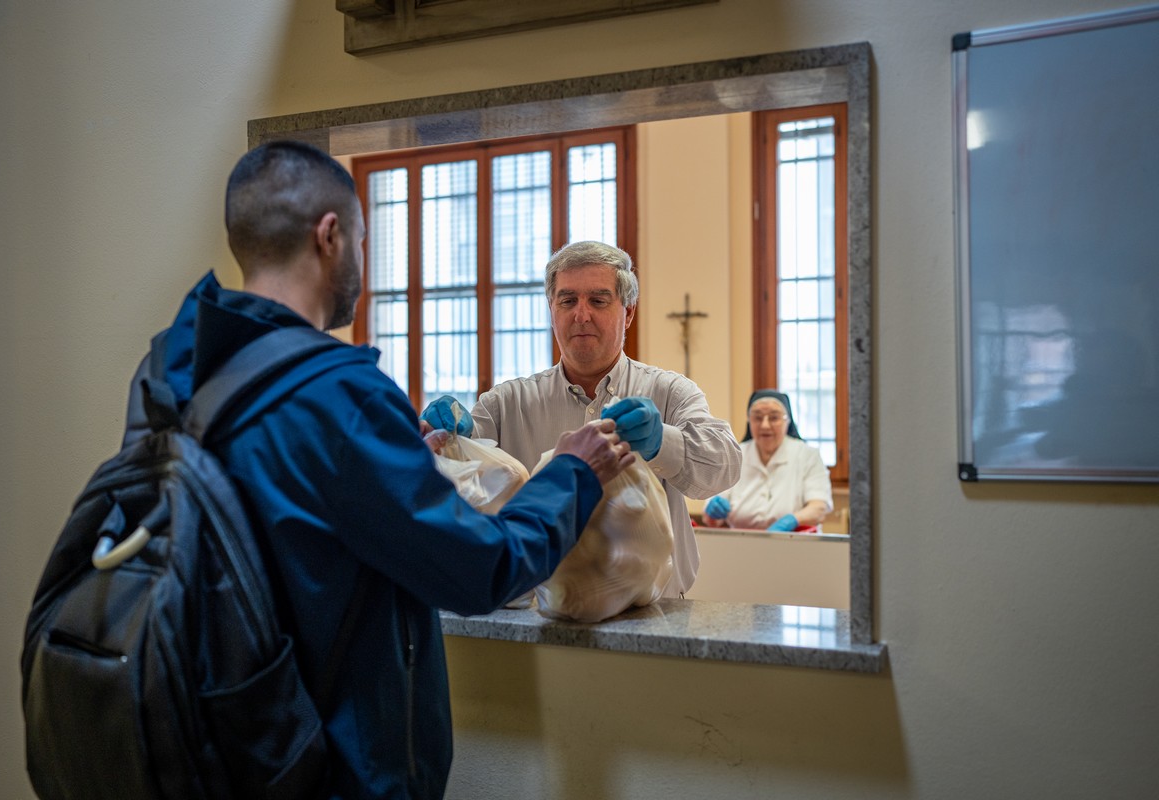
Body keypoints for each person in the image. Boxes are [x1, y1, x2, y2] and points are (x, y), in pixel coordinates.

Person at [124, 141, 634, 800]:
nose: (363, 262)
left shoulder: (173, 368)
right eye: (363, 240)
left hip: (204, 741)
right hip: (321, 767)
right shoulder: (341, 396)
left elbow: (272, 527)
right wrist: (572, 471)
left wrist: (393, 473)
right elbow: (483, 568)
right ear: (330, 236)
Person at [422, 240, 741, 596]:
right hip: (540, 616)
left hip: (655, 617)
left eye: (599, 301)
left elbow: (722, 469)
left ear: (629, 313)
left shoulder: (670, 393)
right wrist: (447, 440)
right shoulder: (506, 402)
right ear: (552, 309)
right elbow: (460, 485)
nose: (581, 314)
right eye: (568, 300)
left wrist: (660, 441)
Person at [701, 390, 832, 531]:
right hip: (742, 545)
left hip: (795, 543)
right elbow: (711, 521)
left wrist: (792, 520)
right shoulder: (733, 455)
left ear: (787, 421)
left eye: (774, 418)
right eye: (757, 418)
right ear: (749, 420)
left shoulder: (807, 455)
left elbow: (818, 507)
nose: (764, 425)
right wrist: (712, 513)